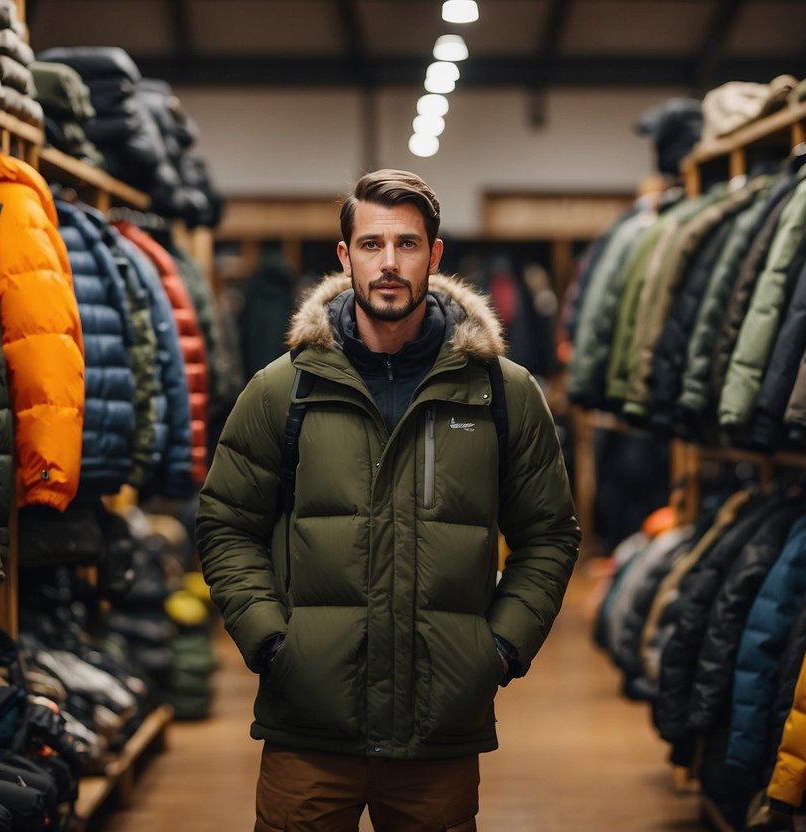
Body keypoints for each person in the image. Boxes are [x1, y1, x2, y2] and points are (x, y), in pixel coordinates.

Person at [196, 168, 580, 831]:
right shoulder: (281, 390)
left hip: (438, 731)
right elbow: (226, 523)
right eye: (371, 245)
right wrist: (269, 642)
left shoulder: (502, 392)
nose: (389, 263)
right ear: (344, 258)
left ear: (434, 255)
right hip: (308, 729)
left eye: (406, 244)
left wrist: (500, 649)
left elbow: (548, 533)